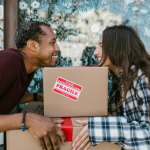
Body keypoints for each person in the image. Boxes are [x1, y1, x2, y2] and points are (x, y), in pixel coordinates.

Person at [72, 25, 150, 150]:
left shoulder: (143, 77)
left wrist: (100, 129)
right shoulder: (119, 79)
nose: (95, 52)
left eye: (101, 46)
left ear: (118, 48)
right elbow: (120, 120)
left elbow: (147, 135)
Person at [0, 21, 66, 150]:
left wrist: (36, 97)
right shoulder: (7, 62)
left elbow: (6, 95)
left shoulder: (25, 68)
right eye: (52, 43)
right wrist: (28, 119)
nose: (57, 48)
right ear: (33, 45)